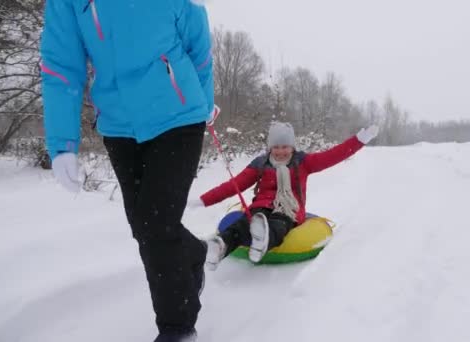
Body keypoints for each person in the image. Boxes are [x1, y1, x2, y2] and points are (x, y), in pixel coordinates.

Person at [39, 1, 215, 341]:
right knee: (145, 226)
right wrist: (62, 143)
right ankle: (192, 253)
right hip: (119, 126)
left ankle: (177, 327)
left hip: (179, 114)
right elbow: (62, 66)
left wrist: (205, 103)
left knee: (154, 223)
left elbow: (198, 46)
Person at [188, 122, 379, 270]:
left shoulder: (303, 162)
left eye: (285, 146)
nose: (280, 151)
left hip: (289, 209)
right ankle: (221, 246)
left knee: (279, 222)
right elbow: (234, 185)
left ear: (292, 146)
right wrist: (204, 200)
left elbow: (333, 155)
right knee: (245, 222)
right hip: (261, 207)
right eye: (276, 146)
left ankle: (264, 240)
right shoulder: (260, 164)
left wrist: (360, 139)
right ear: (270, 147)